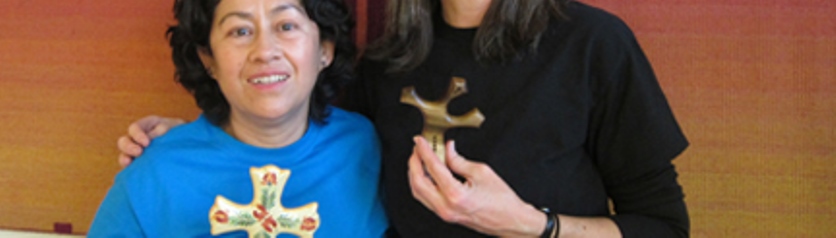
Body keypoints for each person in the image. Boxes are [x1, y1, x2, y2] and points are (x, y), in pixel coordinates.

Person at [118, 0, 690, 237]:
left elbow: (664, 228)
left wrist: (531, 224)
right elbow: (297, 129)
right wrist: (196, 140)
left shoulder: (594, 45)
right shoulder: (389, 63)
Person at [91, 0, 388, 237]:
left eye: (286, 26)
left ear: (325, 49)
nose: (265, 51)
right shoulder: (154, 173)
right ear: (208, 59)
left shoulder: (366, 146)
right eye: (240, 31)